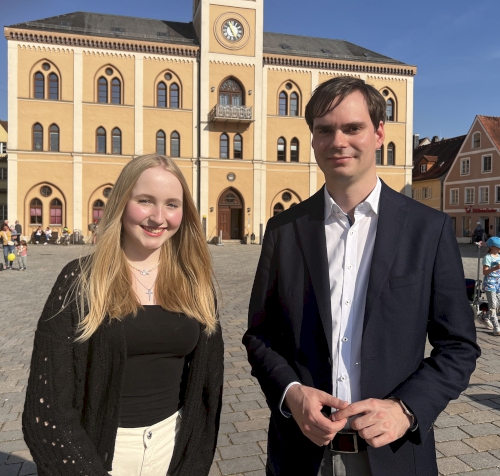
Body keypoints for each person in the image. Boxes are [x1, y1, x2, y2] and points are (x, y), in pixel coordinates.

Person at [243, 76, 479, 476]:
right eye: (325, 130)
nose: (339, 141)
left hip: (394, 455)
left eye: (352, 128)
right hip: (302, 455)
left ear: (379, 133)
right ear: (313, 139)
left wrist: (406, 409)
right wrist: (291, 393)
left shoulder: (428, 229)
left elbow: (458, 346)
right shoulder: (284, 230)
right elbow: (261, 335)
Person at [23, 155, 224, 476]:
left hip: (171, 450)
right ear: (121, 203)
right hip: (98, 453)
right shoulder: (80, 280)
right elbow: (47, 409)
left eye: (172, 204)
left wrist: (192, 462)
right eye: (145, 201)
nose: (159, 217)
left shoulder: (195, 282)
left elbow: (207, 390)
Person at [479, 236, 500, 334]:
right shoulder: (487, 257)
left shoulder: (499, 256)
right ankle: (497, 328)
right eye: (497, 247)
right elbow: (485, 272)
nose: (499, 249)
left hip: (498, 283)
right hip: (490, 283)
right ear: (491, 247)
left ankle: (484, 316)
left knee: (497, 304)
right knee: (493, 306)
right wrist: (495, 268)